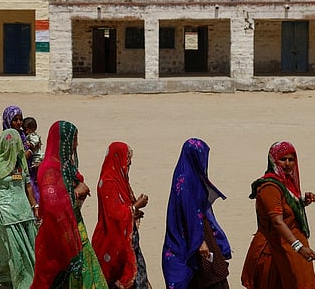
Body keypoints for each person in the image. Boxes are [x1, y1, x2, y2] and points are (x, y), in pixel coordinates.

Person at [31, 120, 109, 289]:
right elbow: (52, 207)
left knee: (86, 269)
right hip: (57, 233)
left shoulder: (66, 165)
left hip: (75, 226)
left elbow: (76, 182)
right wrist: (76, 193)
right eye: (74, 140)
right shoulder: (50, 169)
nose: (77, 144)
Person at [241, 142, 315, 289]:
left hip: (290, 250)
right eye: (283, 159)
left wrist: (302, 201)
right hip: (276, 252)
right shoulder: (270, 187)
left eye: (291, 159)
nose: (288, 164)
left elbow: (285, 207)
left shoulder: (286, 183)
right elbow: (277, 222)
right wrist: (299, 247)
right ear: (273, 160)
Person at [162, 138, 231, 289]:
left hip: (198, 231)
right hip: (196, 235)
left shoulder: (187, 176)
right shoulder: (186, 182)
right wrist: (200, 241)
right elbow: (188, 211)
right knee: (213, 276)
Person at [0, 128, 39, 289]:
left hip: (24, 215)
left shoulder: (21, 162)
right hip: (5, 216)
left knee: (29, 254)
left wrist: (35, 207)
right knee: (10, 255)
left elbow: (28, 186)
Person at [92, 142, 152, 289]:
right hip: (114, 246)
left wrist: (134, 210)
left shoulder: (119, 180)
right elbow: (115, 215)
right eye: (127, 163)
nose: (128, 166)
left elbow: (122, 207)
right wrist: (137, 206)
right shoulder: (108, 182)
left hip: (128, 243)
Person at [24, 116, 45, 201]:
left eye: (26, 129)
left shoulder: (33, 136)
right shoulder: (28, 135)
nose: (25, 132)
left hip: (37, 157)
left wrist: (29, 145)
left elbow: (35, 143)